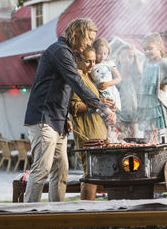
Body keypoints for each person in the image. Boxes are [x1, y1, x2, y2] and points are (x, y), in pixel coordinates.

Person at [24, 18, 116, 203]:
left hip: (57, 121)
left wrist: (65, 116)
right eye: (88, 38)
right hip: (44, 119)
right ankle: (29, 216)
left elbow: (62, 90)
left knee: (61, 172)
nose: (90, 44)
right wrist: (102, 107)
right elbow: (77, 84)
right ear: (76, 33)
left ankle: (56, 215)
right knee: (42, 170)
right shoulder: (60, 51)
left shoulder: (67, 53)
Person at [69, 47, 111, 200]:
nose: (92, 65)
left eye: (94, 61)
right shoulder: (76, 78)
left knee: (97, 173)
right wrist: (98, 104)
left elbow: (96, 104)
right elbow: (74, 106)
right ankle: (85, 212)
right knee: (90, 174)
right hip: (87, 132)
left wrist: (106, 105)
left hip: (99, 130)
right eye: (87, 61)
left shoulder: (90, 77)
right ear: (77, 60)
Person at [138, 33, 167, 144]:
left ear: (159, 47)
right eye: (145, 49)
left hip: (156, 104)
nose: (147, 52)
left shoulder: (163, 63)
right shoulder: (146, 63)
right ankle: (148, 148)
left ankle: (157, 149)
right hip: (146, 103)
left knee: (156, 131)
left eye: (150, 48)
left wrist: (164, 82)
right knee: (147, 131)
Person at [115, 44, 141, 139]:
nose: (127, 59)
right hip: (118, 118)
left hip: (133, 119)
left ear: (134, 59)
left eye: (130, 57)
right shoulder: (114, 75)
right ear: (118, 57)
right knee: (119, 144)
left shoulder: (136, 76)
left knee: (133, 144)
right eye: (124, 56)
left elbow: (139, 96)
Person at [91, 38, 122, 111]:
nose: (102, 56)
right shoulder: (91, 65)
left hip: (110, 92)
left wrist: (108, 84)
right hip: (99, 94)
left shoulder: (109, 64)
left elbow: (119, 78)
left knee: (112, 110)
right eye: (99, 53)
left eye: (105, 53)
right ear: (94, 52)